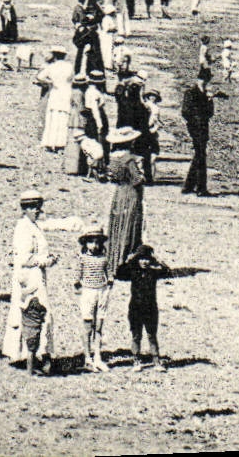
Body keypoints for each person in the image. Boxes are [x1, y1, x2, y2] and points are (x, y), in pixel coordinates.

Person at [2, 191, 56, 367]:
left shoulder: (33, 226)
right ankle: (30, 354)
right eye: (32, 207)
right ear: (24, 209)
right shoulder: (23, 228)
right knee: (34, 312)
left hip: (36, 275)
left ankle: (33, 354)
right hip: (28, 276)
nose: (36, 211)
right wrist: (46, 261)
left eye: (38, 207)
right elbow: (25, 258)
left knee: (32, 312)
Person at [118, 244, 170, 370]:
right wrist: (128, 260)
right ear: (137, 260)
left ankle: (156, 360)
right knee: (136, 335)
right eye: (141, 259)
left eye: (147, 259)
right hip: (135, 308)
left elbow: (167, 271)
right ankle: (136, 360)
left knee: (152, 335)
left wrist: (158, 259)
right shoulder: (133, 271)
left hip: (151, 308)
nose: (144, 262)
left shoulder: (153, 272)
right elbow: (119, 273)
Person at [104, 127, 146, 271]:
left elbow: (111, 176)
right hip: (130, 194)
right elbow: (137, 179)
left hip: (119, 194)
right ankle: (126, 262)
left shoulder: (113, 157)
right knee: (130, 226)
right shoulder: (128, 159)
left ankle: (113, 261)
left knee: (117, 225)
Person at [74, 228, 114, 372]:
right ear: (86, 243)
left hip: (101, 291)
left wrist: (109, 285)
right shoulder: (82, 258)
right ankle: (87, 357)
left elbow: (109, 274)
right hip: (88, 291)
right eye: (91, 242)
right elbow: (77, 277)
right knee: (87, 325)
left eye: (97, 242)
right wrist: (78, 286)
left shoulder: (104, 258)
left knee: (99, 325)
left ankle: (97, 356)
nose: (94, 245)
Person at [180, 72, 218, 197]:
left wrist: (209, 101)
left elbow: (210, 113)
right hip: (195, 127)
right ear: (197, 79)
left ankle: (189, 186)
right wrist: (197, 119)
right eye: (202, 79)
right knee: (201, 155)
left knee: (199, 155)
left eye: (206, 80)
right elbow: (185, 111)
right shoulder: (190, 93)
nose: (204, 82)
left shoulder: (205, 94)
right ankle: (201, 188)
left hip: (203, 127)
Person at [36, 46, 75, 151]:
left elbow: (40, 77)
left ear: (54, 55)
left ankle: (49, 143)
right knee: (63, 117)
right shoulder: (69, 66)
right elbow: (73, 78)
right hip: (66, 91)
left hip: (55, 92)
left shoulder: (51, 67)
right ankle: (60, 143)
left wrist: (50, 82)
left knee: (52, 116)